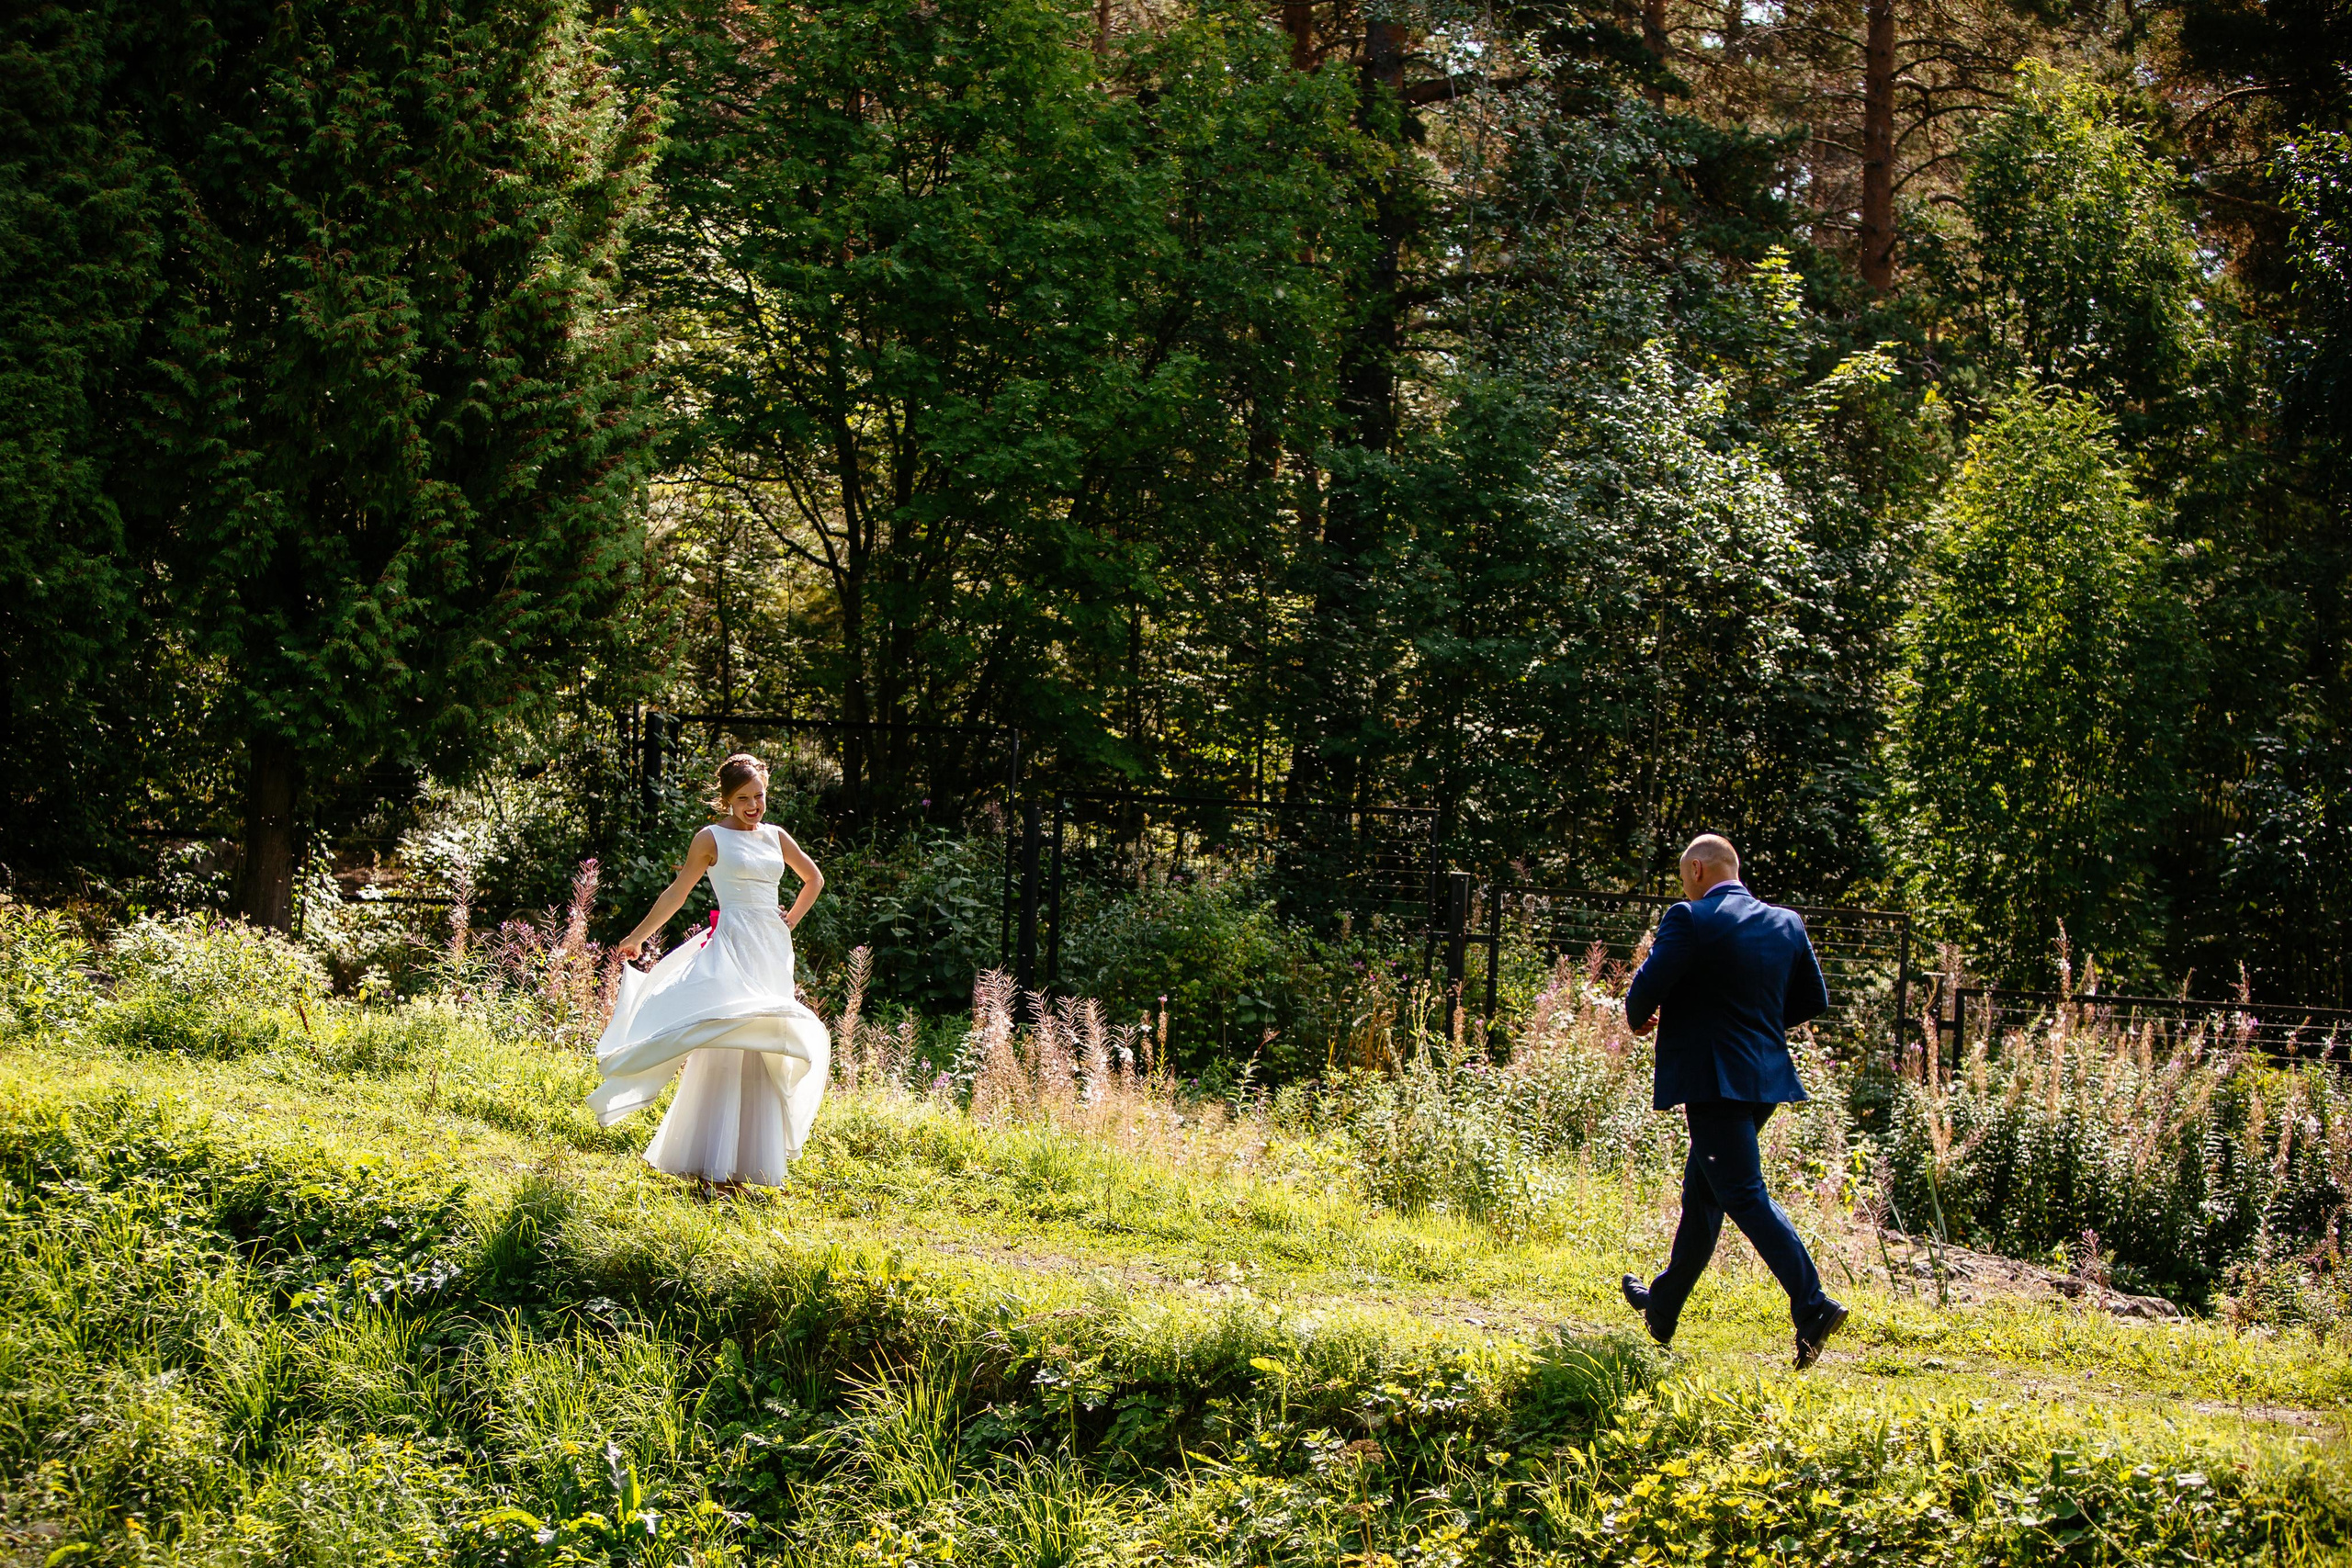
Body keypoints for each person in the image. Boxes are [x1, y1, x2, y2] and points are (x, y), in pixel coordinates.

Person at [1617, 833, 1849, 1369]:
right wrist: (1758, 1025)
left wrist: (1642, 1019)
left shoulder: (1690, 918)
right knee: (1703, 1195)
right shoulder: (1785, 923)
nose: (1684, 886)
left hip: (1715, 1081)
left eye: (1683, 877)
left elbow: (1643, 994)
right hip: (1764, 1079)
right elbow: (1814, 998)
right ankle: (1664, 1305)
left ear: (1697, 869)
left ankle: (1812, 1305)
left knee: (1742, 1194)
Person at [588, 753, 831, 1188]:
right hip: (733, 944)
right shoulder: (710, 838)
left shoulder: (776, 836)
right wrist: (639, 936)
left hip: (772, 949)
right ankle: (709, 1161)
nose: (754, 805)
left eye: (759, 795)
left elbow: (814, 879)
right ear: (725, 800)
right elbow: (677, 892)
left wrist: (789, 920)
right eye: (743, 798)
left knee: (764, 1042)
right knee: (727, 1034)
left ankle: (752, 1164)